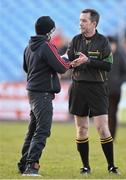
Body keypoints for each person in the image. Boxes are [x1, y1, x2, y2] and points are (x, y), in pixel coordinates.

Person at [17, 16, 84, 176]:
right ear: (50, 31)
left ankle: (23, 164)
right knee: (42, 130)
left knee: (33, 129)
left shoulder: (29, 46)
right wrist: (72, 62)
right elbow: (61, 68)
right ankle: (31, 166)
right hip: (43, 94)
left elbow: (27, 68)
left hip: (32, 92)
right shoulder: (47, 46)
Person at [67, 9, 119, 174]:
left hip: (97, 87)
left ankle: (111, 166)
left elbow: (108, 66)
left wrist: (88, 60)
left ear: (93, 23)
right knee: (81, 129)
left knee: (102, 128)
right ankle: (85, 167)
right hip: (78, 87)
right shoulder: (75, 40)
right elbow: (67, 60)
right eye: (80, 20)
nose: (80, 23)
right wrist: (70, 64)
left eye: (84, 20)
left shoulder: (103, 42)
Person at [107, 36, 126, 139]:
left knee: (112, 113)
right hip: (103, 90)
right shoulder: (103, 56)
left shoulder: (120, 56)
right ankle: (105, 135)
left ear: (115, 44)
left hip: (115, 91)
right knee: (103, 114)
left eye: (111, 44)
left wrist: (118, 82)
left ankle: (112, 135)